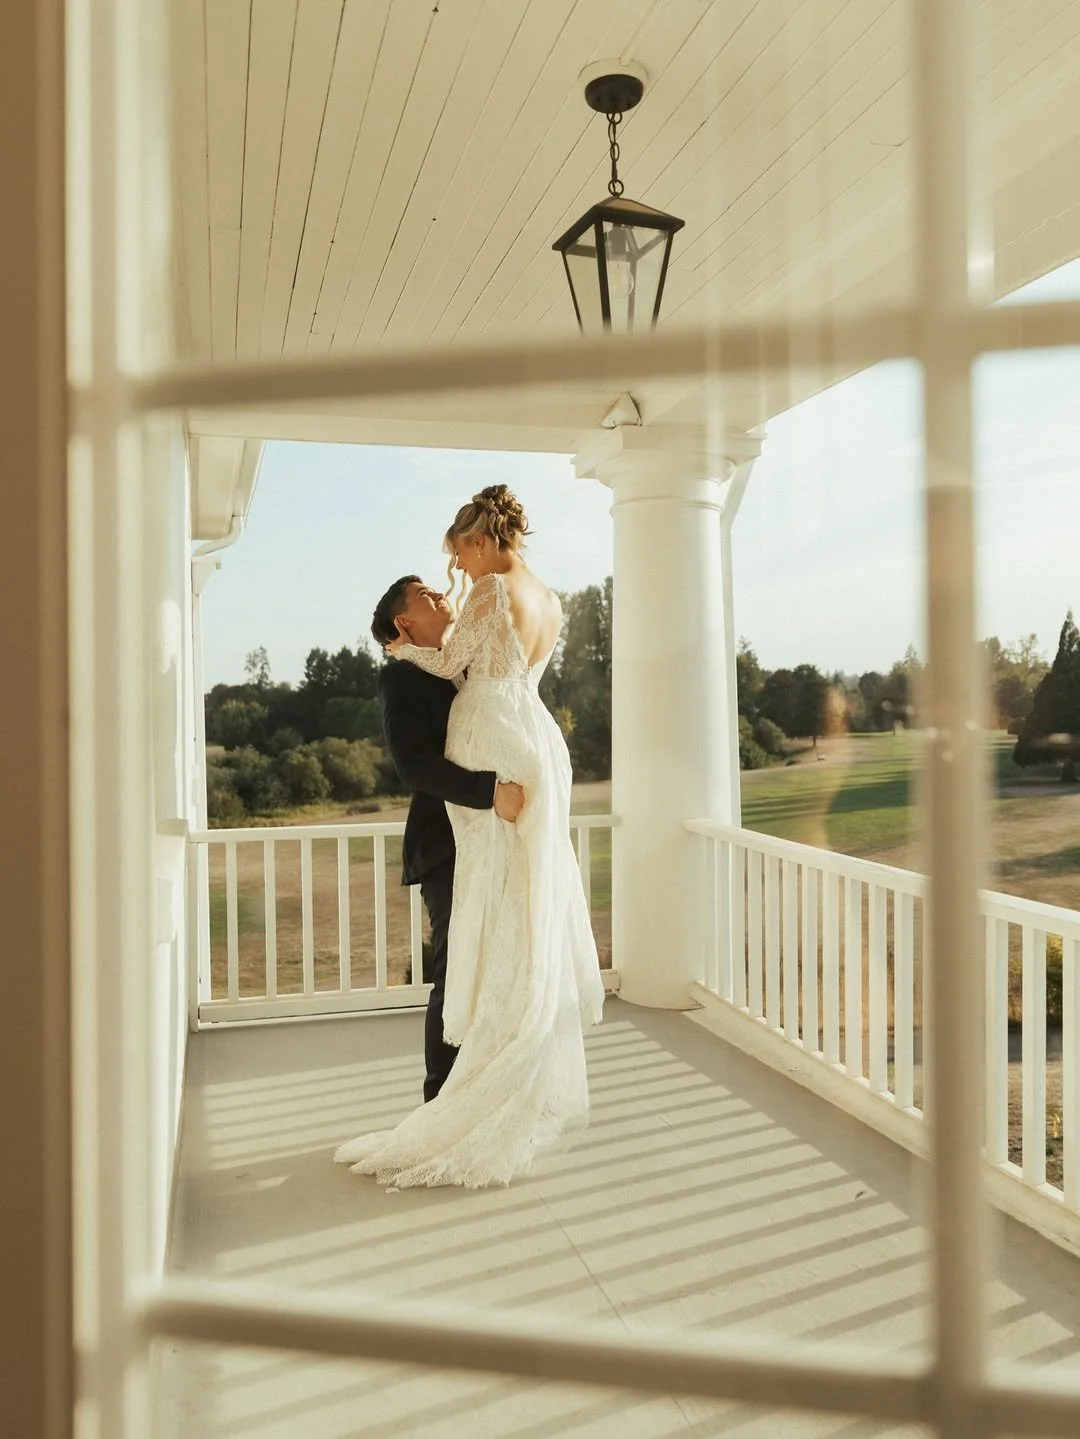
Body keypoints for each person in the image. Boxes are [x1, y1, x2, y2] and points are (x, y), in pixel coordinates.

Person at [335, 485, 606, 1188]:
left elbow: (457, 665)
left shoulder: (489, 596)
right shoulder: (545, 596)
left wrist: (406, 650)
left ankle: (477, 1094)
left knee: (497, 944)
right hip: (505, 771)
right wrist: (401, 655)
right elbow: (417, 759)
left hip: (504, 776)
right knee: (483, 949)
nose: (454, 575)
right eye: (434, 582)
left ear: (477, 539)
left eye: (455, 556)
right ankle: (451, 1092)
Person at [367, 575, 525, 1102]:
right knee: (456, 969)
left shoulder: (465, 666)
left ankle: (487, 1087)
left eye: (439, 589)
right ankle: (439, 1102)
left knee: (493, 965)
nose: (442, 596)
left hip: (492, 839)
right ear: (404, 623)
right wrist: (488, 792)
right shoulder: (403, 679)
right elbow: (414, 765)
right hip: (446, 843)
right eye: (426, 597)